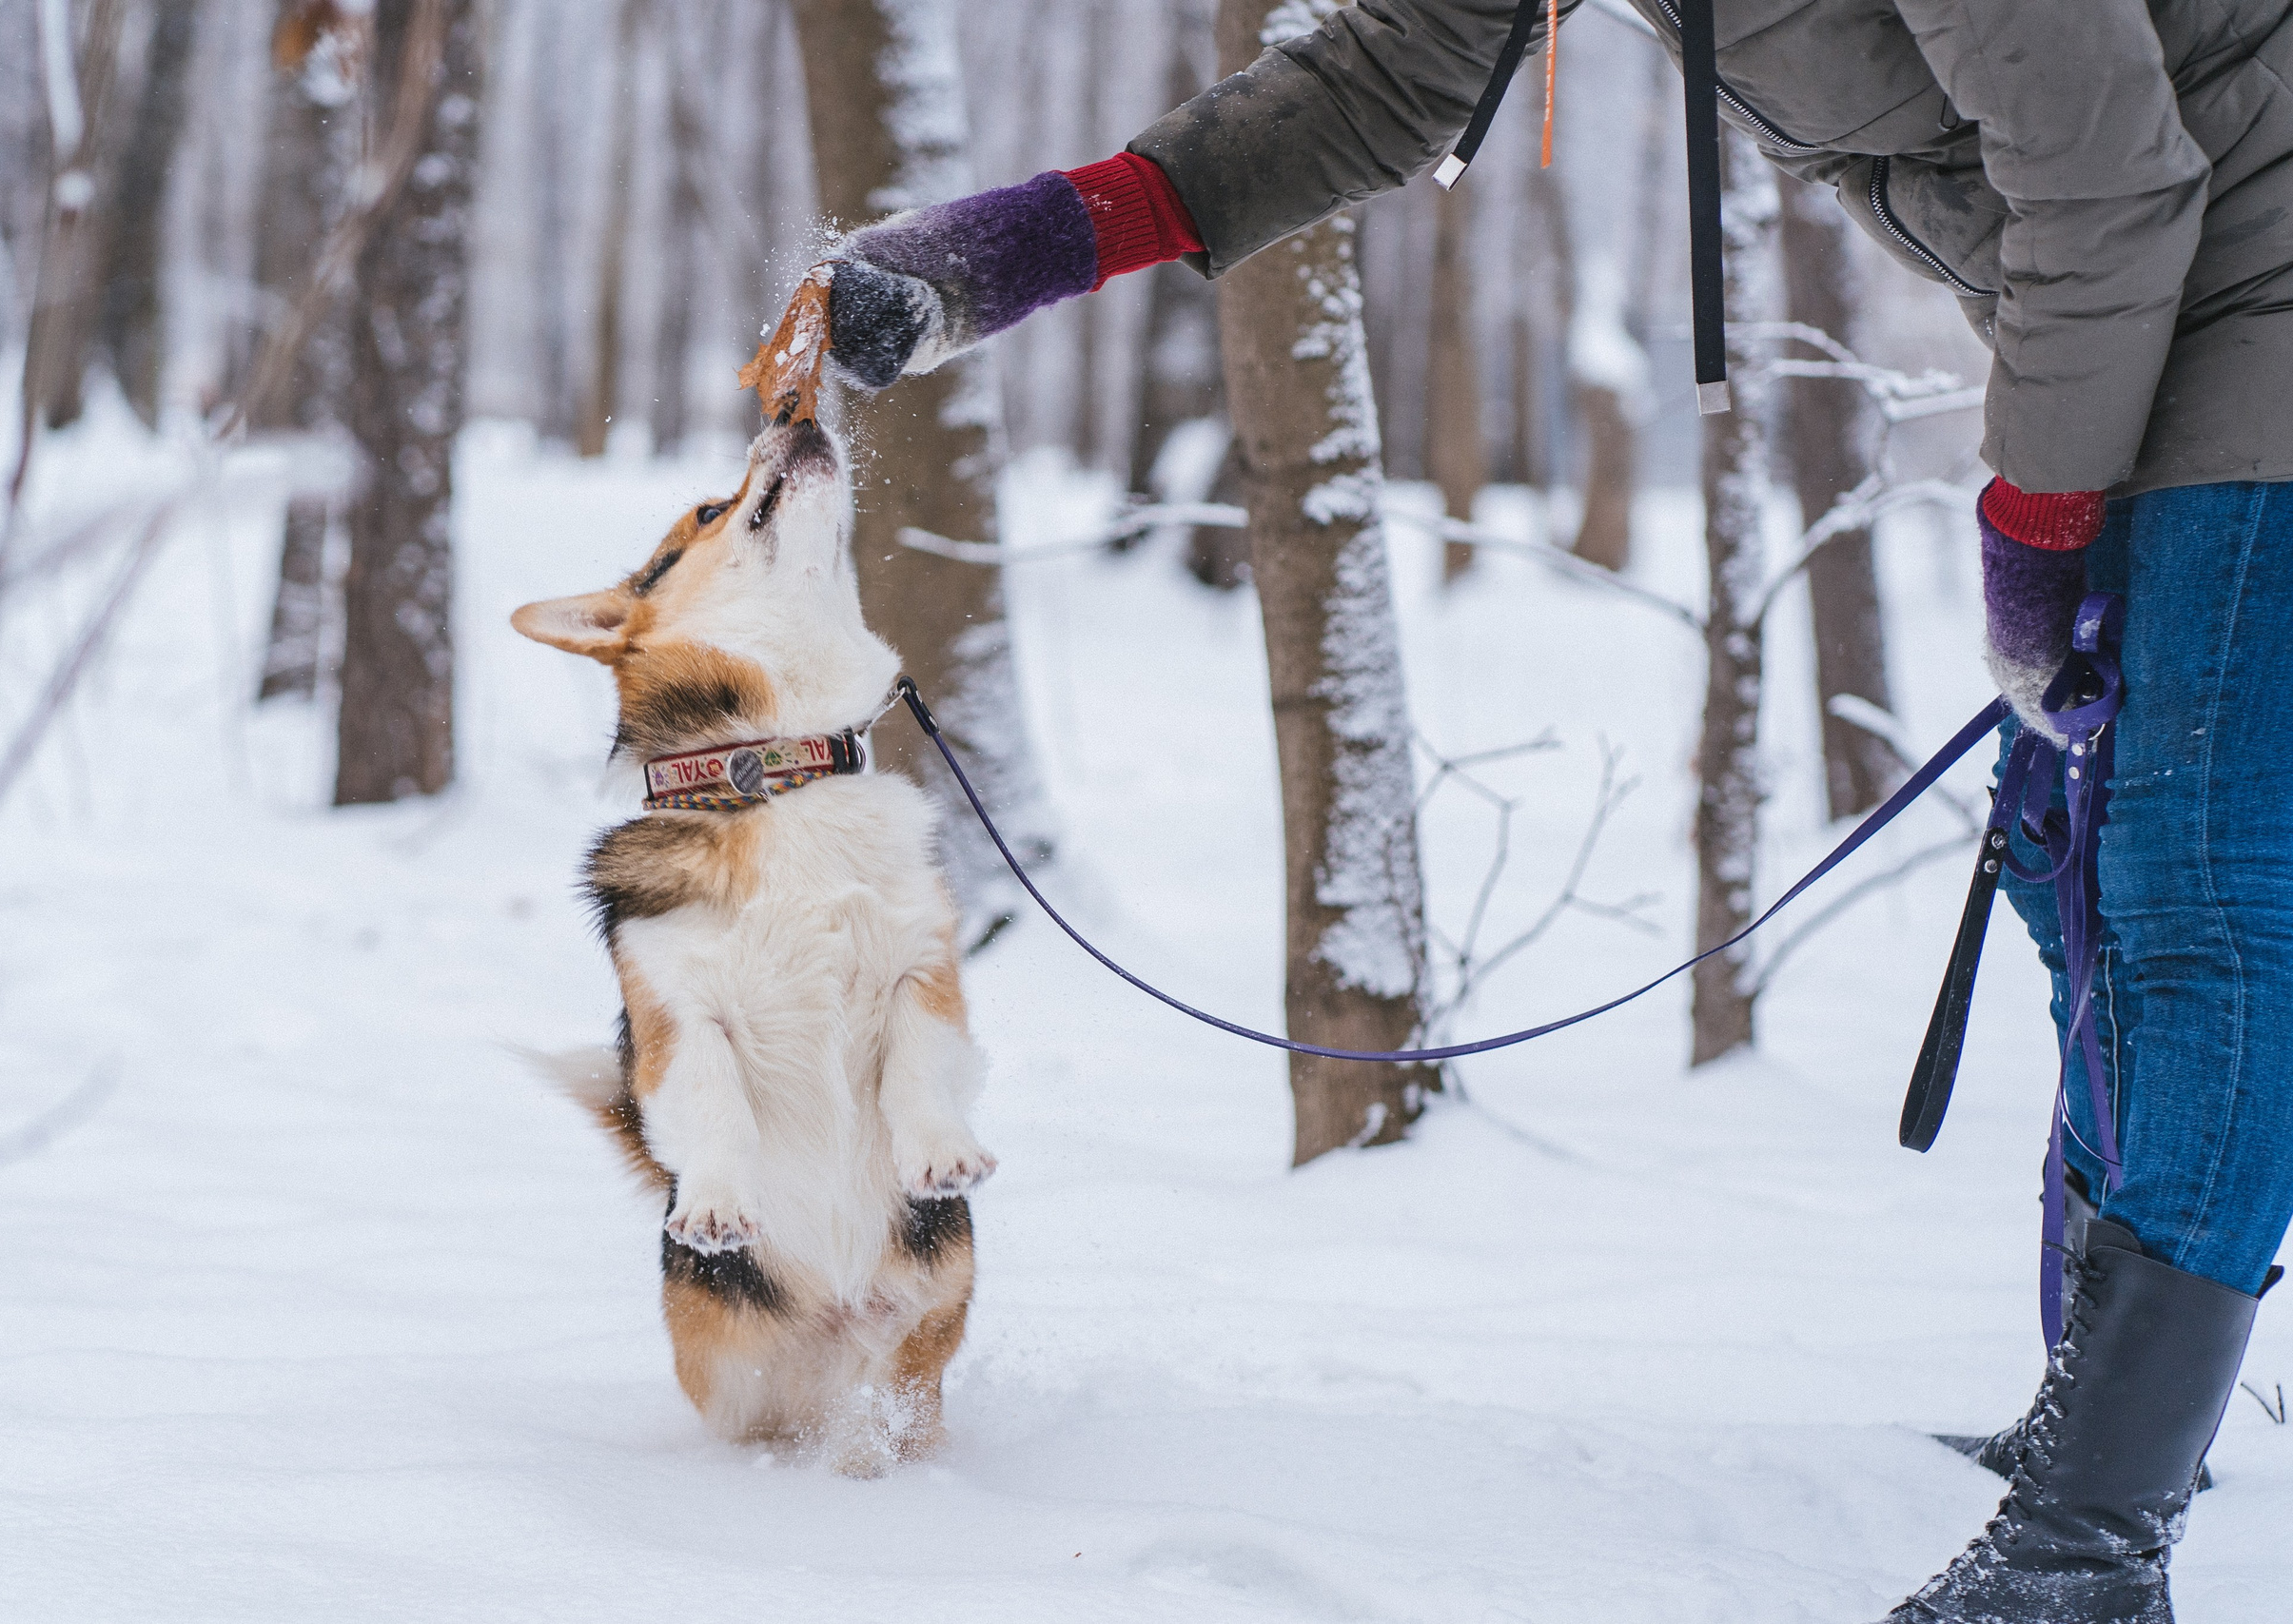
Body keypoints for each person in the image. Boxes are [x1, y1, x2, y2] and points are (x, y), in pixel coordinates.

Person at [803, 4, 2293, 1620]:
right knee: (2073, 863)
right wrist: (1012, 249)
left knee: (2198, 900)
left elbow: (2106, 167)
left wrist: (2036, 525)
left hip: (2244, 284)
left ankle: (2088, 1550)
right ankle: (2115, 1427)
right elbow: (1386, 76)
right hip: (2149, 313)